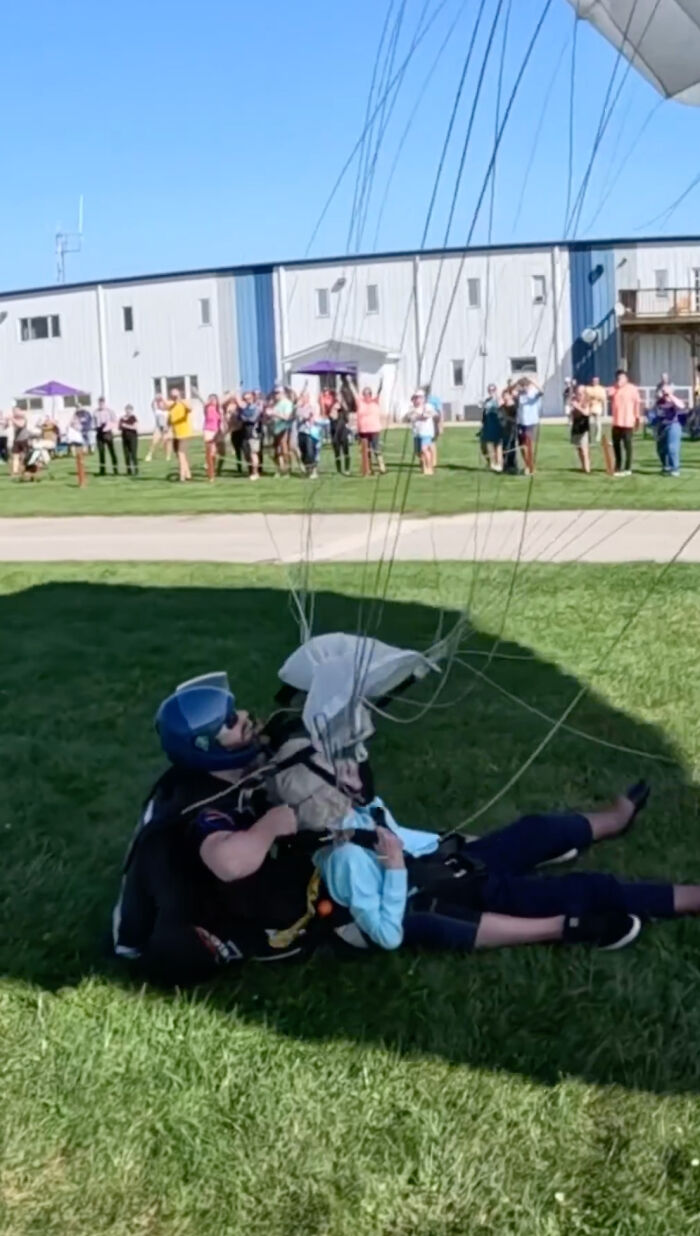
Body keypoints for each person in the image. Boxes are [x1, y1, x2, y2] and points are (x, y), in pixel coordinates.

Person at [112, 672, 375, 986]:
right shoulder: (201, 803)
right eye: (231, 722)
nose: (244, 717)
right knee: (285, 902)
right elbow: (228, 862)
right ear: (206, 747)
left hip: (196, 887)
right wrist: (267, 828)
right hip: (176, 918)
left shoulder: (216, 772)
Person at [312, 786, 700, 954]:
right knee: (583, 889)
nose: (349, 771)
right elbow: (388, 934)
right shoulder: (345, 860)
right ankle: (690, 898)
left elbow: (416, 839)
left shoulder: (358, 813)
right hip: (458, 894)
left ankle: (614, 820)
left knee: (536, 830)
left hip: (455, 859)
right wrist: (395, 868)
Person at [608, 370, 640, 477]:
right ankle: (618, 466)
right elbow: (609, 394)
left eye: (621, 378)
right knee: (616, 446)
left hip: (628, 421)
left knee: (628, 445)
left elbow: (637, 404)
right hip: (617, 422)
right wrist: (617, 386)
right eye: (618, 378)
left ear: (626, 378)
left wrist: (637, 417)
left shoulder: (632, 389)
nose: (619, 380)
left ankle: (628, 467)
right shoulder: (614, 388)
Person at [352, 381, 385, 476]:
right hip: (363, 430)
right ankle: (368, 468)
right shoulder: (360, 402)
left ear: (371, 395)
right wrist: (350, 382)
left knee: (376, 448)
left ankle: (381, 467)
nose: (366, 396)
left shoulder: (375, 402)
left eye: (368, 394)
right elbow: (354, 392)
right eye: (365, 394)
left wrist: (380, 385)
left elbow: (379, 392)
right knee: (366, 450)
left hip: (374, 429)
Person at [654, 383, 686, 477]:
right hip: (662, 426)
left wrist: (671, 396)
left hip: (673, 425)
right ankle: (666, 466)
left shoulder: (674, 401)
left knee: (672, 448)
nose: (664, 393)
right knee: (660, 449)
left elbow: (682, 406)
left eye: (666, 391)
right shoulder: (659, 402)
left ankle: (675, 468)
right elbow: (656, 414)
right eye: (663, 391)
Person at [162, 387, 192, 482]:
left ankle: (182, 476)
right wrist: (167, 427)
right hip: (176, 433)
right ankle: (188, 474)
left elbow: (190, 408)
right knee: (181, 455)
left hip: (184, 432)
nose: (174, 396)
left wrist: (180, 399)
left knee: (181, 453)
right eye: (172, 395)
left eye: (176, 394)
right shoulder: (172, 405)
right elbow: (169, 416)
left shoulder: (184, 403)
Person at [516, 376, 542, 476]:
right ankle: (527, 465)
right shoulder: (520, 394)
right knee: (522, 446)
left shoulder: (533, 393)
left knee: (528, 445)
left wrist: (533, 382)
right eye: (522, 386)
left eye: (525, 385)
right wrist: (516, 385)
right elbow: (509, 391)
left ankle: (531, 467)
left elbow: (541, 392)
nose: (523, 388)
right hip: (520, 422)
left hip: (530, 422)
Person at [408, 391, 435, 475]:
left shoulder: (428, 406)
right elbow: (410, 417)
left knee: (424, 449)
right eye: (415, 398)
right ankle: (424, 467)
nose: (416, 400)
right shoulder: (412, 408)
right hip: (416, 432)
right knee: (418, 452)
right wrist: (419, 415)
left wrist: (419, 416)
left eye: (418, 397)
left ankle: (429, 468)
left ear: (423, 398)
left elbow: (426, 416)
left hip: (426, 432)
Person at [296, 391, 321, 478]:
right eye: (301, 397)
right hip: (301, 432)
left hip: (309, 433)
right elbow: (297, 415)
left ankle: (313, 471)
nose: (302, 399)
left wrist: (303, 415)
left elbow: (309, 416)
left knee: (310, 452)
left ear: (307, 398)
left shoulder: (311, 407)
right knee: (303, 452)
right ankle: (307, 470)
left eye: (304, 397)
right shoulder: (298, 408)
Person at [271, 384, 294, 476]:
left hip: (284, 428)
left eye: (277, 393)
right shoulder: (275, 403)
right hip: (275, 428)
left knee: (284, 448)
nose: (275, 395)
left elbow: (287, 417)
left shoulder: (287, 403)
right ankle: (279, 468)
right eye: (275, 393)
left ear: (283, 393)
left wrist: (275, 413)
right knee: (276, 449)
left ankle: (287, 469)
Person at [569, 382, 591, 474]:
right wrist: (572, 409)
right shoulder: (574, 401)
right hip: (576, 427)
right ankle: (583, 466)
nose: (579, 395)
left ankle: (587, 469)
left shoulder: (586, 402)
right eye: (578, 393)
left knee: (584, 450)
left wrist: (577, 407)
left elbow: (586, 413)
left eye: (581, 393)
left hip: (584, 428)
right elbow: (571, 415)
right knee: (579, 448)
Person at [94, 397, 119, 476]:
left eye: (102, 403)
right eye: (99, 403)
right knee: (101, 452)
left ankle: (115, 469)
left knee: (112, 451)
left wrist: (108, 426)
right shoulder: (95, 412)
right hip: (99, 432)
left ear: (105, 403)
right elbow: (94, 422)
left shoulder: (110, 411)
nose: (101, 404)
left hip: (107, 432)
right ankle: (102, 470)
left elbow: (115, 422)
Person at [481, 384, 503, 472]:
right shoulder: (487, 401)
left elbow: (501, 407)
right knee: (488, 444)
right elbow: (484, 413)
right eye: (490, 390)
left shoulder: (498, 399)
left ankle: (499, 464)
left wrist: (497, 398)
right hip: (488, 424)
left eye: (493, 389)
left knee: (497, 445)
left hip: (496, 423)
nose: (491, 391)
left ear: (496, 390)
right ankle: (492, 463)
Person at [328, 391, 351, 475]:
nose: (338, 398)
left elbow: (347, 418)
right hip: (335, 431)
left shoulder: (344, 408)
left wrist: (342, 406)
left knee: (346, 451)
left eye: (339, 396)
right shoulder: (332, 407)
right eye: (337, 396)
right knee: (337, 451)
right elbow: (332, 417)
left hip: (343, 431)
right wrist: (334, 409)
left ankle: (347, 469)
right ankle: (339, 470)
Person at [500, 382, 520, 475]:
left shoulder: (514, 406)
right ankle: (505, 465)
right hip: (504, 429)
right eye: (503, 396)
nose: (504, 397)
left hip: (512, 428)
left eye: (506, 395)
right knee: (504, 447)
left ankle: (513, 465)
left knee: (511, 447)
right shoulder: (502, 407)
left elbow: (514, 417)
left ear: (510, 396)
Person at [145, 396, 172, 463]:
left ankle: (168, 456)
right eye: (159, 404)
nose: (160, 405)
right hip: (158, 428)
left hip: (167, 428)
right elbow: (152, 405)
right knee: (154, 441)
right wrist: (155, 399)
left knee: (167, 442)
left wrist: (168, 427)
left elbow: (170, 420)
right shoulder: (157, 411)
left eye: (161, 403)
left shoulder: (168, 411)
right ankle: (149, 454)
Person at [202, 394, 223, 483]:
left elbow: (221, 421)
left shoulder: (219, 409)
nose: (212, 401)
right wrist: (208, 402)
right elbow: (204, 405)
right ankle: (211, 475)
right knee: (209, 453)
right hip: (208, 431)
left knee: (214, 454)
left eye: (214, 399)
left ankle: (211, 469)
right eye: (211, 399)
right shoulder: (207, 408)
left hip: (216, 431)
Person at [586, 375, 607, 445]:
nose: (595, 382)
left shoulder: (601, 389)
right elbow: (586, 398)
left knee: (597, 423)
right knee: (588, 423)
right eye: (593, 381)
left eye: (596, 381)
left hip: (597, 407)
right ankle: (589, 437)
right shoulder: (589, 388)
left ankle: (597, 437)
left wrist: (604, 411)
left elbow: (603, 399)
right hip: (589, 407)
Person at [118, 405, 139, 475]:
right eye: (127, 409)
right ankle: (128, 470)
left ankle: (136, 470)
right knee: (126, 455)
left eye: (130, 410)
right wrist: (121, 425)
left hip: (133, 438)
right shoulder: (122, 418)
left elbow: (135, 427)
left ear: (132, 410)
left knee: (133, 454)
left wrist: (126, 426)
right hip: (124, 438)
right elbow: (119, 427)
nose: (128, 411)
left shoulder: (133, 418)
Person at [10, 407, 30, 477]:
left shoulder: (23, 418)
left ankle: (25, 469)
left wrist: (12, 419)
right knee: (15, 456)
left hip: (24, 439)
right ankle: (15, 472)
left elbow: (20, 425)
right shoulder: (14, 419)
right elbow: (5, 426)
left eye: (16, 411)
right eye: (13, 411)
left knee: (24, 456)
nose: (14, 413)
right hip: (16, 440)